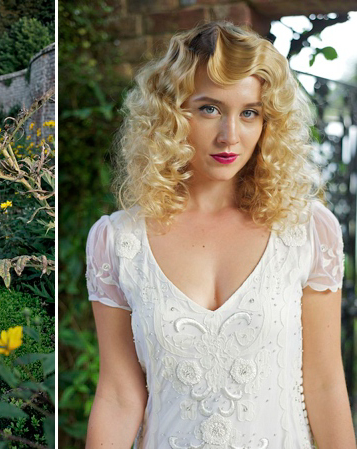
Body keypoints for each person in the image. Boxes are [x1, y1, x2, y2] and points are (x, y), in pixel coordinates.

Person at [85, 21, 356, 448]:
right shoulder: (118, 242)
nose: (231, 135)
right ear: (171, 115)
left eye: (249, 112)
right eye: (209, 108)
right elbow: (120, 395)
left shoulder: (306, 230)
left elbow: (324, 384)